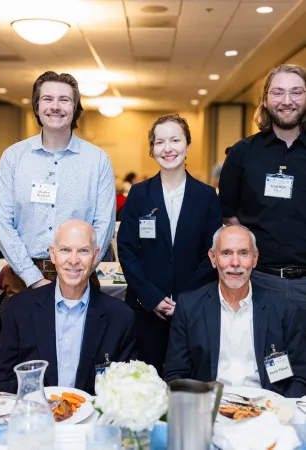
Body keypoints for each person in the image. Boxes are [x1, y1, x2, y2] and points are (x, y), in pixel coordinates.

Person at [0, 71, 115, 298]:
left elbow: (104, 226)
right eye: (47, 99)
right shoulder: (13, 158)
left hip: (81, 279)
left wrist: (76, 274)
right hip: (22, 281)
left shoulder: (97, 160)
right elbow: (2, 223)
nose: (55, 106)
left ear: (75, 107)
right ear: (37, 106)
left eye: (64, 100)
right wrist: (33, 277)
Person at [117, 114, 222, 375]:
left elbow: (211, 253)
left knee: (190, 379)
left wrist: (185, 300)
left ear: (187, 145)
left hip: (194, 307)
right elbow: (127, 250)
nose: (168, 148)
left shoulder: (207, 196)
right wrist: (152, 298)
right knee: (147, 381)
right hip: (145, 308)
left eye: (175, 140)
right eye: (160, 142)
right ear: (151, 150)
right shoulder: (139, 194)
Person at [0, 219, 136, 395]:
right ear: (53, 254)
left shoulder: (120, 317)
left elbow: (125, 387)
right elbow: (1, 380)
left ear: (96, 255)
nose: (73, 260)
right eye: (65, 250)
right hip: (38, 415)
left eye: (83, 251)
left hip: (91, 418)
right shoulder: (20, 309)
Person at [164, 225, 306, 398]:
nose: (235, 263)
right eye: (226, 253)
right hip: (210, 409)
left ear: (255, 258)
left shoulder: (284, 310)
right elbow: (175, 374)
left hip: (268, 411)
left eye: (244, 253)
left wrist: (282, 412)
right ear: (213, 258)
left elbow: (299, 377)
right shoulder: (189, 307)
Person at [219, 64, 306, 337]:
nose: (287, 101)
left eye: (296, 92)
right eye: (278, 92)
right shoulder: (242, 154)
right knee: (261, 365)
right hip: (258, 282)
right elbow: (229, 217)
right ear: (266, 100)